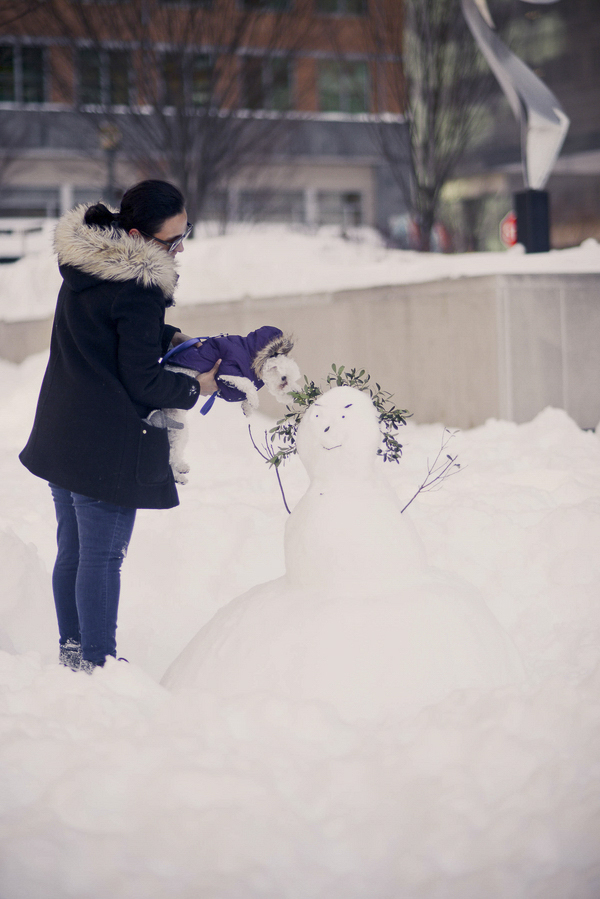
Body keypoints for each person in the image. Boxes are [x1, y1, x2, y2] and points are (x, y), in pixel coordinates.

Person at [19, 179, 220, 673]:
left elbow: (105, 326)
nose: (179, 249)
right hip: (105, 443)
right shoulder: (141, 288)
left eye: (184, 234)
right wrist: (200, 389)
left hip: (62, 432)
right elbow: (144, 380)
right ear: (137, 233)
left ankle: (73, 653)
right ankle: (97, 664)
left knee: (74, 551)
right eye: (171, 242)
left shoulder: (87, 262)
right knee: (102, 557)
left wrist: (172, 334)